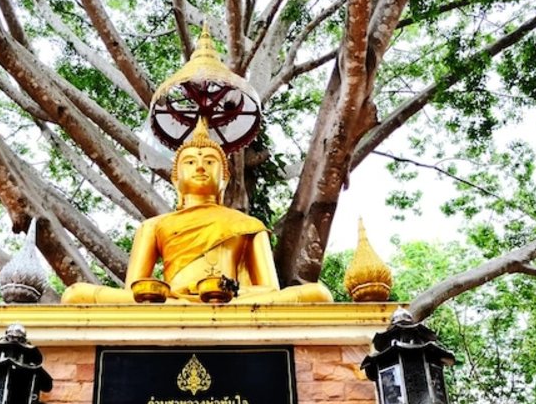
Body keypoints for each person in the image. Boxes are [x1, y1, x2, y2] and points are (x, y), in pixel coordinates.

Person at [61, 120, 332, 304]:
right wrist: (170, 296)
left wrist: (228, 291)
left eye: (210, 161)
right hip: (169, 302)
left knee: (317, 294)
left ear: (224, 179)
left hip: (229, 302)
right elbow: (135, 291)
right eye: (190, 162)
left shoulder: (247, 224)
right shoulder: (154, 226)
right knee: (75, 294)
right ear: (176, 179)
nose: (200, 167)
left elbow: (270, 290)